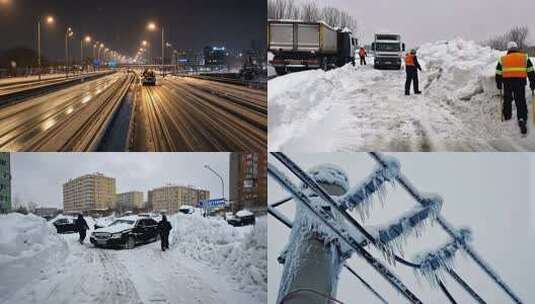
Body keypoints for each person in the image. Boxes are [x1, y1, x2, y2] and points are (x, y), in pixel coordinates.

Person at [495, 41, 535, 135]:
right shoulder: (524, 57)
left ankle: (507, 116)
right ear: (516, 48)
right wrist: (533, 82)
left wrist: (499, 83)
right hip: (520, 82)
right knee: (520, 100)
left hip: (507, 82)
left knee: (507, 99)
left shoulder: (503, 59)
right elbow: (531, 71)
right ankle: (522, 119)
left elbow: (498, 73)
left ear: (508, 49)